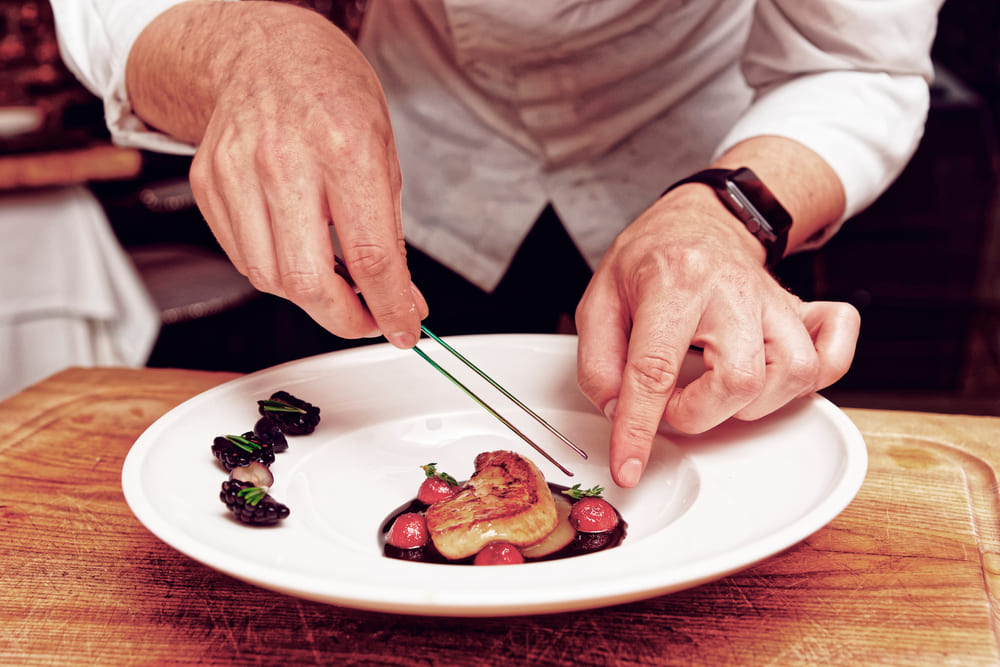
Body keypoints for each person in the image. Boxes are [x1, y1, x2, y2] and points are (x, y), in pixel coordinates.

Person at [51, 0, 941, 487]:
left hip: (720, 151)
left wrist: (731, 209)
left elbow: (856, 60)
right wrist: (244, 50)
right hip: (412, 156)